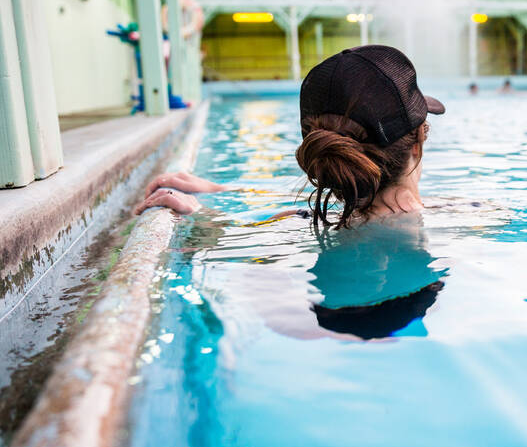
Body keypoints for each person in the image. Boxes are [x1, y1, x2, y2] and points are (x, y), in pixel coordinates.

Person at [135, 45, 449, 338]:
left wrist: (212, 206)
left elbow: (273, 309)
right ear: (418, 145)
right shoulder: (455, 219)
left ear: (321, 154)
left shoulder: (311, 223)